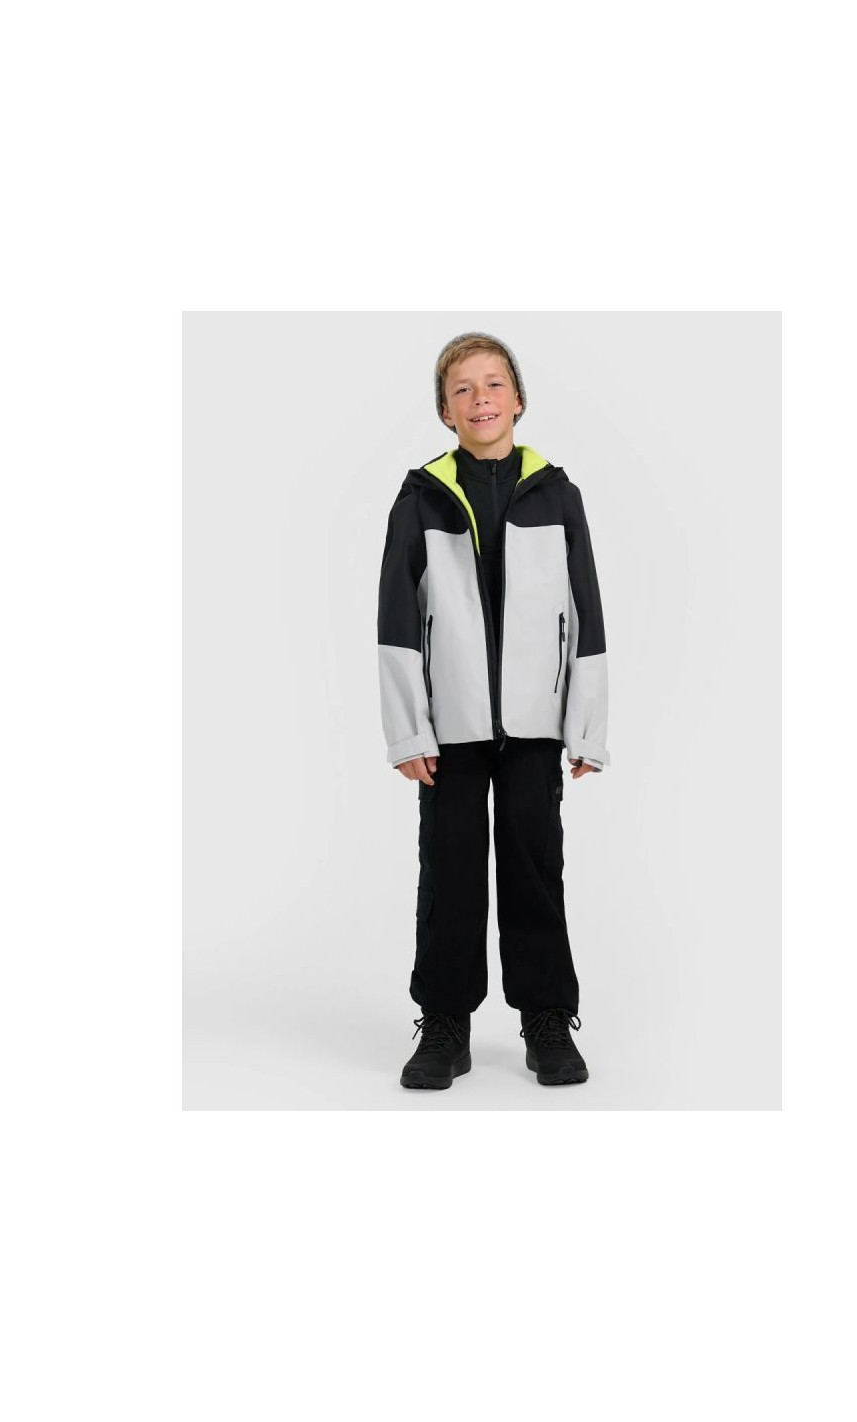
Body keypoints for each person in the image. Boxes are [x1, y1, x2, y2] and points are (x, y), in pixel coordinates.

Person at [377, 331, 610, 1090]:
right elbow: (397, 620)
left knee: (535, 866)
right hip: (450, 727)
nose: (481, 399)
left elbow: (586, 612)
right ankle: (445, 1022)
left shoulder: (558, 495)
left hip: (535, 723)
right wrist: (409, 729)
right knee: (449, 872)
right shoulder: (421, 497)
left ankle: (547, 1018)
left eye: (494, 384)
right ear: (445, 412)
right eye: (463, 389)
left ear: (518, 399)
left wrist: (586, 725)